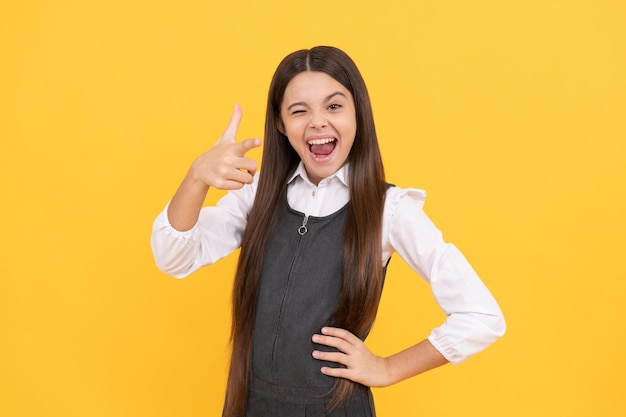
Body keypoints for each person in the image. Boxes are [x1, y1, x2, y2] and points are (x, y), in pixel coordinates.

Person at [151, 46, 505, 417]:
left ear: (358, 114)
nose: (318, 122)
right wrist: (196, 179)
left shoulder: (389, 209)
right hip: (251, 405)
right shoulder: (257, 195)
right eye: (299, 111)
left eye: (334, 106)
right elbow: (174, 259)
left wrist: (387, 368)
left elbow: (481, 316)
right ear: (280, 123)